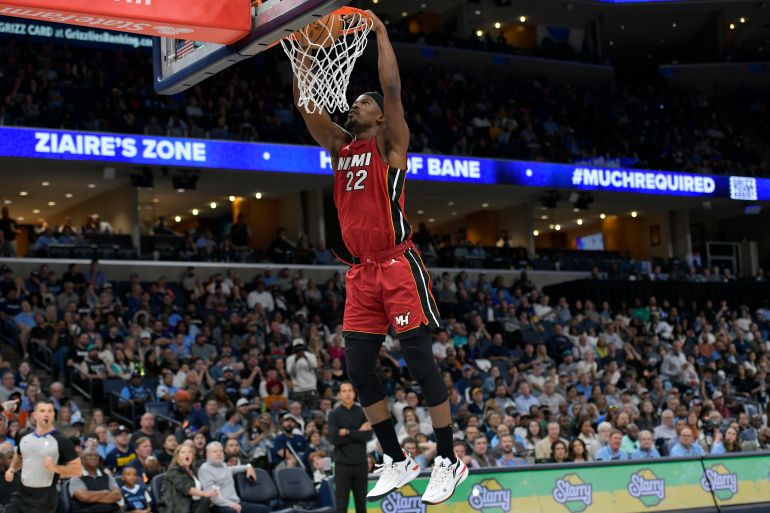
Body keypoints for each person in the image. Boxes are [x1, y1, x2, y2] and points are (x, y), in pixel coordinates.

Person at [292, 9, 466, 504]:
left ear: (381, 117)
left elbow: (391, 89)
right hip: (361, 273)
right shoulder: (340, 147)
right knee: (358, 368)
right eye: (354, 102)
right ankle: (395, 457)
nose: (356, 105)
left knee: (419, 361)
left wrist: (381, 33)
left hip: (397, 264)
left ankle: (448, 459)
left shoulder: (390, 145)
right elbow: (307, 106)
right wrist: (301, 53)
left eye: (364, 102)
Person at [4, 400, 82, 513]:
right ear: (34, 415)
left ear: (53, 415)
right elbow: (19, 457)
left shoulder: (62, 440)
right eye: (42, 411)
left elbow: (77, 470)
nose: (46, 414)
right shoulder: (25, 437)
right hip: (21, 494)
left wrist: (55, 468)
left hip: (44, 498)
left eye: (49, 411)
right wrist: (12, 469)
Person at [327, 382, 371, 513]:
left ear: (354, 393)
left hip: (361, 463)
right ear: (339, 394)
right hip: (342, 464)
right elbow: (334, 439)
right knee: (341, 505)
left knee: (361, 505)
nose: (347, 393)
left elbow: (367, 436)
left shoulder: (363, 412)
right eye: (344, 391)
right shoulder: (334, 414)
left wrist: (346, 432)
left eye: (350, 390)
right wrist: (358, 432)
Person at [198, 441, 260, 513]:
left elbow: (237, 468)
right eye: (215, 451)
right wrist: (231, 504)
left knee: (265, 509)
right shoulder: (205, 469)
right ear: (207, 455)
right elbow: (212, 496)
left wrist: (248, 466)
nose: (218, 454)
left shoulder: (224, 466)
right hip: (218, 505)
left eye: (220, 451)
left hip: (236, 503)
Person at [159, 444, 218, 513]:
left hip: (193, 504)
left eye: (189, 452)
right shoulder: (174, 470)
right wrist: (205, 494)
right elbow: (186, 488)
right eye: (183, 452)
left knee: (207, 501)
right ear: (177, 457)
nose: (187, 454)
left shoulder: (193, 470)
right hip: (176, 506)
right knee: (206, 499)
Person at [69, 449, 123, 513]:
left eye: (96, 455)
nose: (93, 457)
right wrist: (104, 492)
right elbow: (84, 497)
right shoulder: (76, 477)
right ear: (82, 459)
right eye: (89, 455)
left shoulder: (107, 476)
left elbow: (117, 495)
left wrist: (91, 498)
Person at [286, 338, 318, 411]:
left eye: (300, 347)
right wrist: (296, 360)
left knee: (313, 410)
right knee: (299, 411)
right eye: (297, 348)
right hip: (298, 389)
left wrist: (306, 358)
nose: (299, 350)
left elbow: (314, 366)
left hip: (311, 387)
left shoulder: (310, 356)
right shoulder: (290, 359)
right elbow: (290, 372)